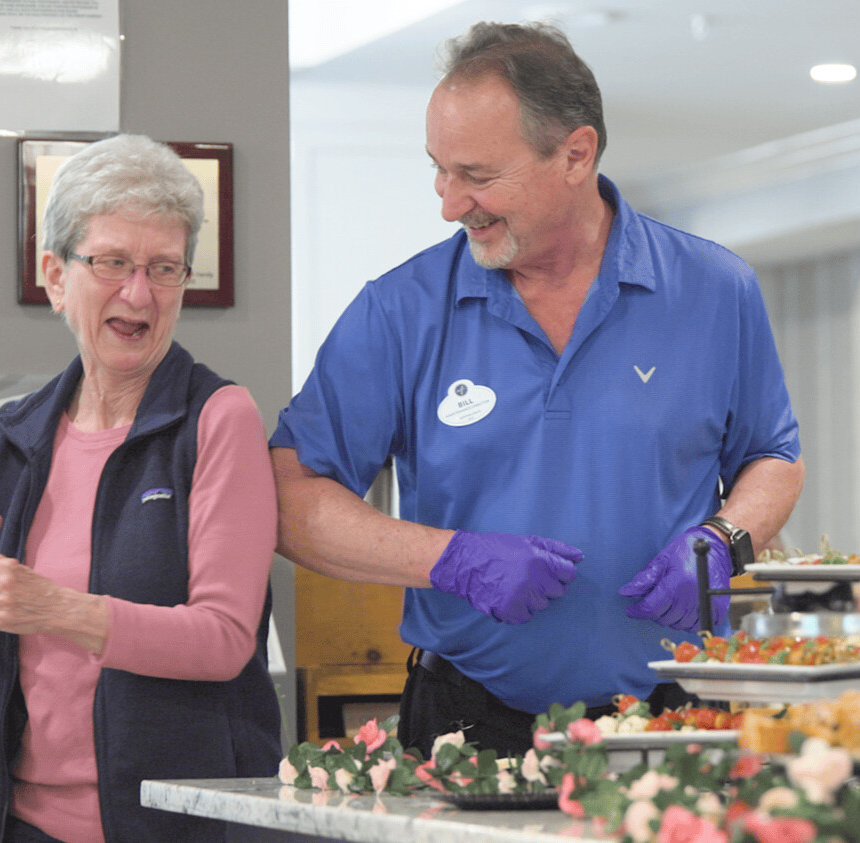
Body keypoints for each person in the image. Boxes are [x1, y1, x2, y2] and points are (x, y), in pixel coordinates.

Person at [270, 21, 805, 758]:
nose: (450, 203)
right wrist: (447, 556)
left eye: (478, 176)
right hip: (465, 719)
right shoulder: (399, 310)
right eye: (439, 169)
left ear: (574, 154)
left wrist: (724, 540)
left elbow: (772, 455)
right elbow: (290, 498)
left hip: (677, 714)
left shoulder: (715, 290)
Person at [0, 134, 281, 843]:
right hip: (21, 823)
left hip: (176, 826)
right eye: (113, 263)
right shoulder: (12, 436)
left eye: (164, 267)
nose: (139, 293)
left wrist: (55, 606)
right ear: (57, 276)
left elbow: (224, 640)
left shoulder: (218, 417)